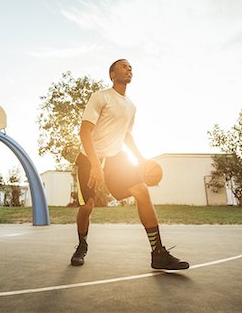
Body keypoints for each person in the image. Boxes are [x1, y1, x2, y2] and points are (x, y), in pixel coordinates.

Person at [71, 59, 189, 270]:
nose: (129, 69)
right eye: (123, 66)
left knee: (142, 191)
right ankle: (81, 245)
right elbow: (84, 132)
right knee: (87, 207)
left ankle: (158, 253)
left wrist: (141, 159)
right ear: (112, 74)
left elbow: (126, 136)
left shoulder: (131, 106)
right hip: (90, 158)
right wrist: (96, 165)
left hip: (116, 158)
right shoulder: (101, 97)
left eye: (130, 67)